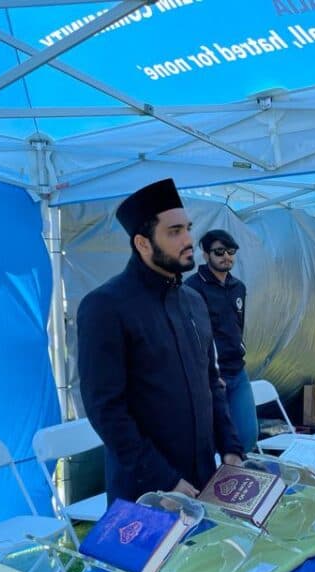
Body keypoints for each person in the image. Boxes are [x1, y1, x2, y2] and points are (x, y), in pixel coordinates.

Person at [77, 178, 244, 503]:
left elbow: (211, 382)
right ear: (142, 243)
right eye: (174, 232)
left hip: (203, 478)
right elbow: (106, 409)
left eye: (187, 228)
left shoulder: (194, 301)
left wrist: (231, 448)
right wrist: (162, 478)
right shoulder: (105, 306)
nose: (188, 240)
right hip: (145, 490)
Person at [185, 229, 258, 452]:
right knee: (215, 441)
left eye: (231, 251)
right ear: (205, 255)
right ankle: (220, 484)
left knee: (248, 436)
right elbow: (192, 338)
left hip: (238, 371)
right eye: (219, 252)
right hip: (212, 378)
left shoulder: (238, 286)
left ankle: (242, 483)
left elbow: (238, 326)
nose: (226, 256)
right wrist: (208, 375)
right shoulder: (191, 289)